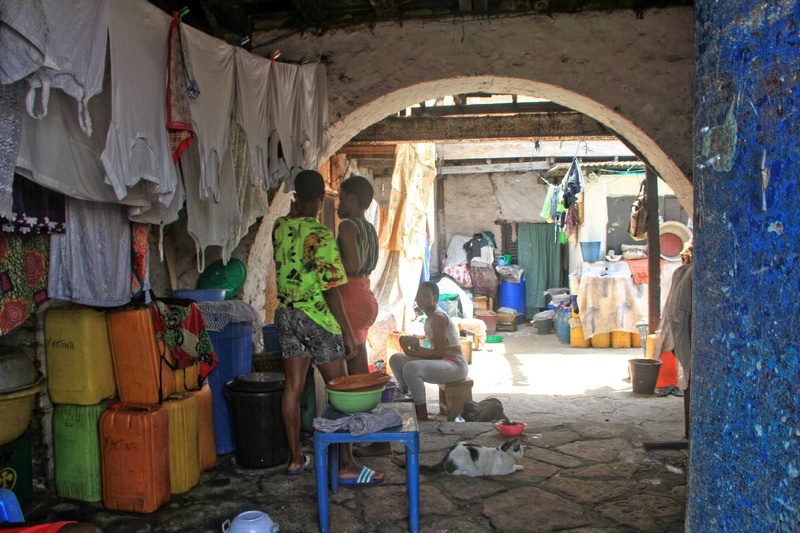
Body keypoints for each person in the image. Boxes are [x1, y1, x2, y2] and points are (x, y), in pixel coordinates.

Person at [272, 169, 383, 484]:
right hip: (317, 318)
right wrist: (345, 331)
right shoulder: (320, 235)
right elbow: (331, 290)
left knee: (292, 387)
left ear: (296, 198)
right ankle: (346, 464)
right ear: (321, 200)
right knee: (341, 388)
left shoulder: (279, 226)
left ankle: (295, 458)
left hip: (286, 315)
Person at [389, 281, 469, 421]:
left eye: (426, 296)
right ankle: (406, 393)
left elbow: (438, 353)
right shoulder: (431, 317)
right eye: (419, 296)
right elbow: (436, 351)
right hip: (443, 360)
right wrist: (417, 348)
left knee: (411, 368)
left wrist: (413, 353)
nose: (420, 299)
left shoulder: (438, 317)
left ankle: (422, 413)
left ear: (435, 298)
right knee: (396, 359)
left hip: (455, 364)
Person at [336, 174, 379, 376]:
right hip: (365, 295)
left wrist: (325, 264)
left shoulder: (347, 226)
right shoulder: (369, 228)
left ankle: (363, 396)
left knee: (355, 369)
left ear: (352, 199)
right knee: (358, 360)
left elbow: (353, 265)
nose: (338, 204)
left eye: (341, 198)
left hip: (349, 298)